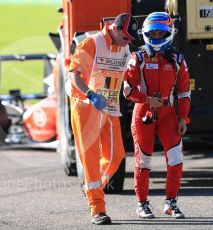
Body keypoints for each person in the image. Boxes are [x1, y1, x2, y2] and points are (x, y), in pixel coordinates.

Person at [66, 13, 139, 225]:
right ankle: (97, 209)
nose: (129, 41)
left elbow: (124, 75)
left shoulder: (124, 47)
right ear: (114, 30)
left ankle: (92, 186)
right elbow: (74, 74)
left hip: (109, 107)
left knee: (116, 156)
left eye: (131, 38)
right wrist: (90, 94)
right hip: (85, 106)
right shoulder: (91, 43)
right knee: (90, 159)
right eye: (125, 36)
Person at [123, 12, 191, 219]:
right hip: (144, 113)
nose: (156, 36)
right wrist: (146, 100)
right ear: (145, 33)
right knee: (143, 160)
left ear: (169, 33)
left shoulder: (178, 60)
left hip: (169, 114)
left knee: (176, 158)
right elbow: (127, 90)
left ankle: (171, 203)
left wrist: (183, 118)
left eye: (161, 33)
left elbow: (184, 91)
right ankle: (142, 204)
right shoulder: (138, 58)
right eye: (152, 33)